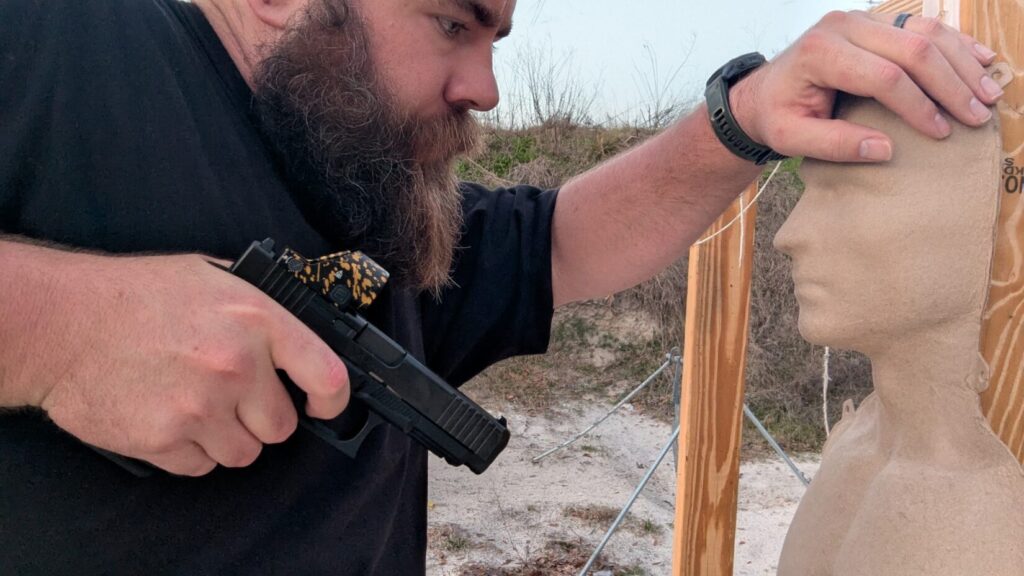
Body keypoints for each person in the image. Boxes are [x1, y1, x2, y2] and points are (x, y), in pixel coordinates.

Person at [0, 0, 1003, 573]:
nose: (485, 85)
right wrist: (53, 330)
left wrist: (737, 120)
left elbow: (557, 243)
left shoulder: (360, 171)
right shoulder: (53, 42)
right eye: (452, 22)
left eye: (497, 41)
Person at [774, 95, 1024, 575]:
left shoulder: (970, 506)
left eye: (848, 190)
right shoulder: (853, 446)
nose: (787, 234)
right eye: (811, 192)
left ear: (979, 211)